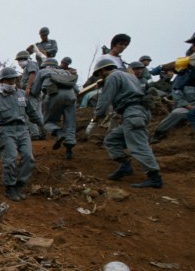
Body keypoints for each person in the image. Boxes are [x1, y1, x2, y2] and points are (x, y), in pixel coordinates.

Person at [0, 66, 45, 201]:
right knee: (10, 159)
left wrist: (42, 125)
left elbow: (31, 112)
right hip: (6, 131)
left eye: (13, 81)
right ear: (2, 82)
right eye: (8, 81)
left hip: (23, 130)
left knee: (28, 157)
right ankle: (10, 187)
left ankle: (20, 184)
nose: (11, 83)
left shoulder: (21, 95)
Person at [92, 59, 162, 189]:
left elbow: (105, 98)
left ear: (102, 70)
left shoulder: (112, 76)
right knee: (111, 140)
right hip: (139, 112)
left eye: (99, 74)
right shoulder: (130, 75)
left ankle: (154, 177)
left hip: (133, 113)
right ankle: (125, 166)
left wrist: (96, 117)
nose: (99, 77)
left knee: (138, 146)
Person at [36, 58, 79, 159]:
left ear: (44, 65)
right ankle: (69, 149)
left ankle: (59, 132)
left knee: (48, 122)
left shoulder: (42, 71)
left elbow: (35, 90)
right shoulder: (66, 73)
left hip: (53, 95)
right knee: (70, 122)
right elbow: (76, 89)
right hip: (71, 96)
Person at [16, 50, 43, 139]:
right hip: (35, 93)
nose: (19, 63)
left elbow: (32, 74)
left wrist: (28, 87)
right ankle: (42, 133)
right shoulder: (29, 66)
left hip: (31, 93)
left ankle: (34, 134)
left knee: (29, 114)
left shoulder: (30, 64)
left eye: (20, 60)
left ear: (26, 59)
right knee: (38, 114)